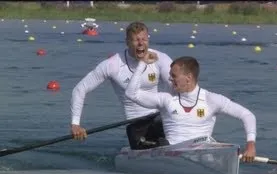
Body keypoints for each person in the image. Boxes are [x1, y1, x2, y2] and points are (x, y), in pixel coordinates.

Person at [125, 55, 257, 162]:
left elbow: (247, 115)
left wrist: (250, 145)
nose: (170, 79)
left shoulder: (212, 99)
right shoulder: (166, 99)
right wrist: (142, 64)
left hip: (203, 154)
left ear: (188, 78)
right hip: (171, 156)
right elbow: (131, 94)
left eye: (174, 76)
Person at [70, 21, 173, 150]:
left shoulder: (160, 59)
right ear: (127, 42)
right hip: (136, 125)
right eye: (136, 40)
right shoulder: (113, 65)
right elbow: (80, 89)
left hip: (159, 119)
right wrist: (75, 124)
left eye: (144, 39)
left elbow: (176, 86)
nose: (141, 43)